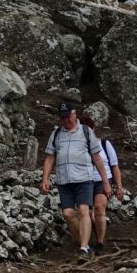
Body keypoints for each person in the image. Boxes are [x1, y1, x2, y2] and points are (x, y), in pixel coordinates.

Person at [39, 103, 111, 258]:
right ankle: (84, 243)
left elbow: (97, 158)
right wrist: (45, 178)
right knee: (68, 214)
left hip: (84, 179)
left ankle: (84, 248)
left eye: (68, 116)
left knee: (84, 210)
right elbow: (50, 158)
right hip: (64, 181)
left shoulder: (86, 132)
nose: (65, 120)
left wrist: (105, 181)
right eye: (62, 117)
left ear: (74, 114)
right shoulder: (56, 134)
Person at [78, 115, 124, 254]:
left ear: (94, 129)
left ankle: (100, 242)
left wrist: (118, 186)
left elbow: (115, 166)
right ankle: (89, 239)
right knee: (87, 213)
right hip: (84, 180)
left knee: (98, 208)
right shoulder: (78, 147)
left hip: (103, 180)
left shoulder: (104, 144)